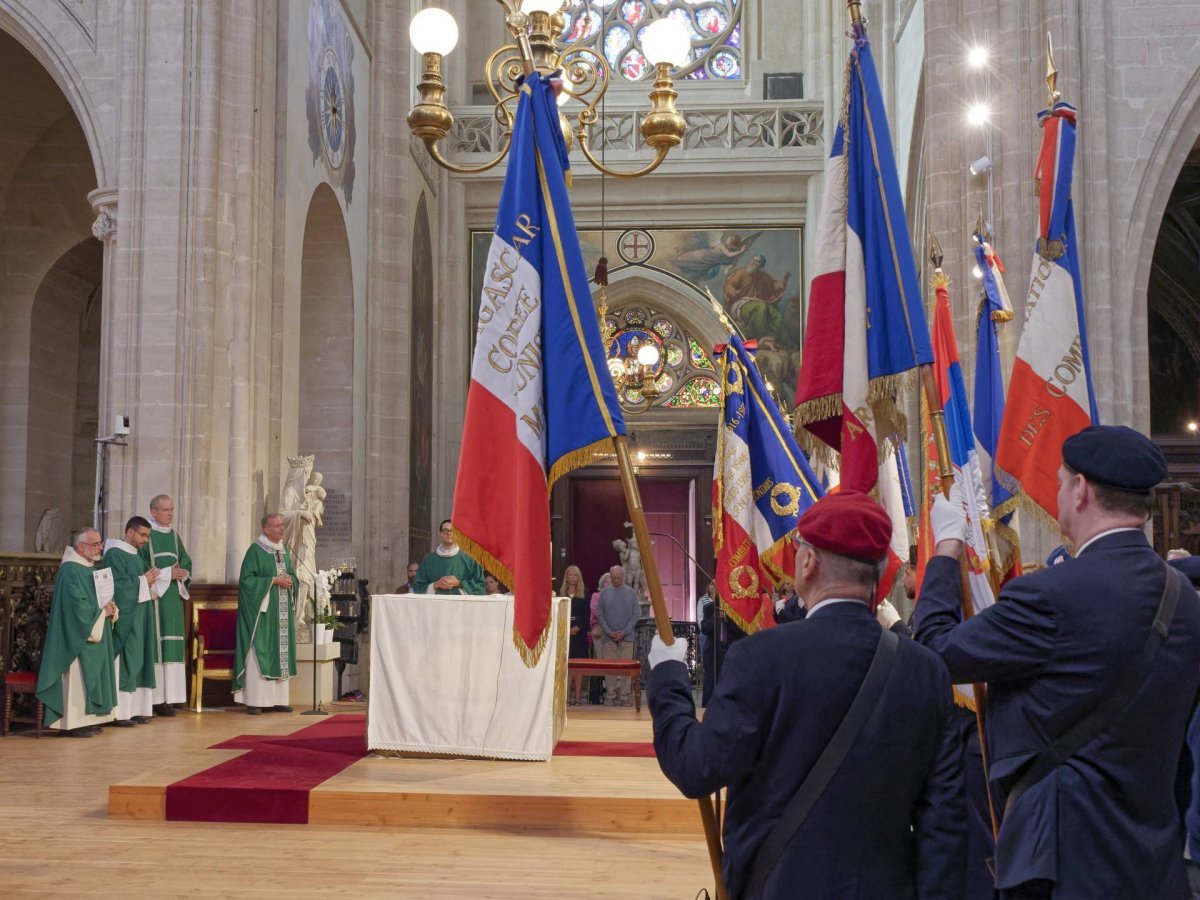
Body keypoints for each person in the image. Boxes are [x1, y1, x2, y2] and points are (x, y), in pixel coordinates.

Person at [916, 425, 1200, 899]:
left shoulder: (1050, 595)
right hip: (1152, 860)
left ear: (1082, 490)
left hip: (1065, 863)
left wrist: (946, 551)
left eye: (1062, 480)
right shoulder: (1185, 601)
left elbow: (934, 653)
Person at [648, 491, 966, 898]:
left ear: (808, 562)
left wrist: (669, 674)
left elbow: (696, 768)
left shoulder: (761, 657)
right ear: (878, 572)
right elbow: (945, 823)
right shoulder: (925, 670)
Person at [36, 528, 119, 736]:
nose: (100, 548)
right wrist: (100, 613)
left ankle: (88, 719)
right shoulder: (71, 570)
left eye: (100, 543)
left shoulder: (90, 568)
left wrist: (109, 608)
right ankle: (70, 724)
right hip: (74, 634)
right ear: (81, 546)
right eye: (96, 544)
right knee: (76, 677)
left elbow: (95, 599)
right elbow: (76, 607)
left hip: (92, 627)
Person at [233, 513, 298, 715]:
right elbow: (246, 581)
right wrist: (273, 581)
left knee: (280, 652)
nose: (281, 529)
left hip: (282, 614)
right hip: (262, 614)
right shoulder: (255, 550)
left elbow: (292, 575)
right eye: (277, 526)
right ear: (265, 529)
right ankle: (256, 700)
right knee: (259, 651)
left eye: (282, 525)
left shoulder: (284, 550)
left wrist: (290, 581)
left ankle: (279, 699)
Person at [104, 517, 160, 726]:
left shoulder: (137, 555)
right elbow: (116, 585)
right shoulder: (114, 554)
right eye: (143, 535)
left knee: (140, 658)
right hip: (126, 617)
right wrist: (143, 580)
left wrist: (149, 581)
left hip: (140, 614)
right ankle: (121, 712)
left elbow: (144, 578)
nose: (145, 540)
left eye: (147, 536)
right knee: (127, 658)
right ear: (129, 532)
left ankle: (138, 709)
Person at [139, 493, 191, 715]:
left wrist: (181, 574)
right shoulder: (146, 537)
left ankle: (171, 698)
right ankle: (156, 698)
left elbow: (186, 562)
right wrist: (168, 574)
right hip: (154, 600)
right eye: (165, 510)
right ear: (153, 512)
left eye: (171, 510)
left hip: (172, 599)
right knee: (157, 647)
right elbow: (139, 565)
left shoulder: (174, 536)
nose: (170, 513)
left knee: (172, 646)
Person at [596, 565, 640, 707]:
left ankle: (625, 696)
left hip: (627, 638)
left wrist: (625, 631)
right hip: (608, 638)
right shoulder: (604, 593)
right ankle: (610, 695)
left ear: (623, 576)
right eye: (613, 578)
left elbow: (636, 615)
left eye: (618, 578)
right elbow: (600, 615)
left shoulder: (631, 593)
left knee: (626, 668)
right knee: (609, 669)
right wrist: (609, 632)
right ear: (610, 576)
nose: (616, 580)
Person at [411, 520, 484, 595]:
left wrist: (459, 583)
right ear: (440, 534)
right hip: (435, 605)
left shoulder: (470, 560)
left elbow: (480, 586)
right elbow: (417, 587)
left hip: (460, 605)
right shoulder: (428, 560)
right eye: (445, 530)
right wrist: (435, 585)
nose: (449, 533)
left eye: (452, 531)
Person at [560, 565, 589, 704]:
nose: (572, 578)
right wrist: (566, 629)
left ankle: (577, 698)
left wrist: (577, 628)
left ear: (579, 578)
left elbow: (586, 615)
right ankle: (566, 698)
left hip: (579, 635)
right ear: (566, 577)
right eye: (570, 575)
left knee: (578, 668)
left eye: (575, 575)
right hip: (565, 635)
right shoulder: (561, 593)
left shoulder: (585, 593)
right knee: (567, 667)